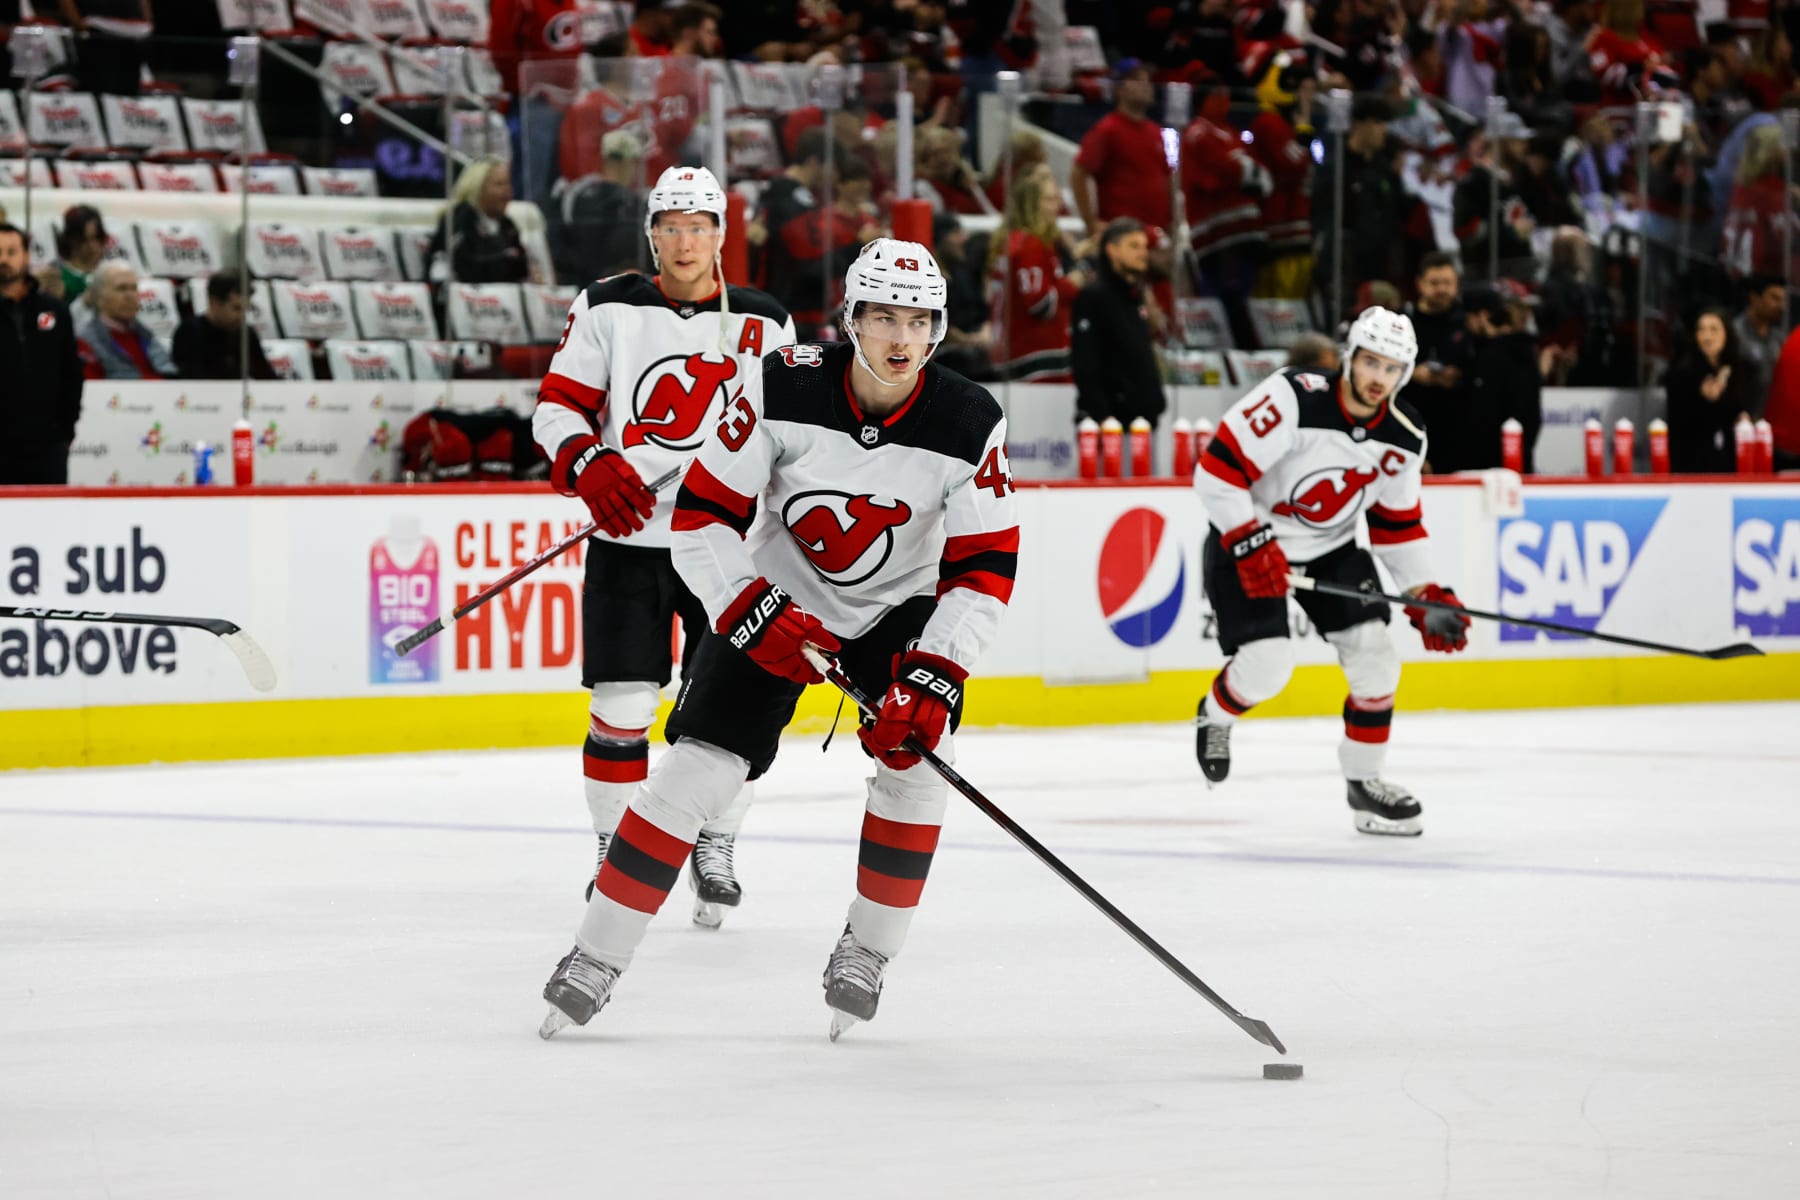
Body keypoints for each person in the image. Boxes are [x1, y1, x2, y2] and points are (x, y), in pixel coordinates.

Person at [539, 239, 1018, 1039]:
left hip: (898, 608)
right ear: (850, 319)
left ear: (938, 329)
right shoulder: (777, 382)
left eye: (920, 320)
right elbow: (700, 518)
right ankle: (594, 954)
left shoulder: (971, 418)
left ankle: (867, 950)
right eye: (884, 317)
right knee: (697, 767)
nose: (902, 338)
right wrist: (747, 605)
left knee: (919, 767)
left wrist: (935, 673)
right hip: (779, 595)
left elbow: (985, 568)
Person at [530, 166, 797, 926]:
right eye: (671, 226)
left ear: (721, 235)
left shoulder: (765, 322)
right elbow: (557, 409)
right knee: (621, 704)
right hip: (630, 538)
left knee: (729, 707)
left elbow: (791, 436)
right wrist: (591, 463)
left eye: (700, 226)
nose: (685, 241)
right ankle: (616, 847)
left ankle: (716, 838)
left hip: (725, 544)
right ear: (652, 233)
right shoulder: (608, 305)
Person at [1192, 307, 1471, 837]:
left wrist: (1425, 592)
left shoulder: (1404, 437)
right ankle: (1215, 714)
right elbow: (1216, 472)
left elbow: (1397, 526)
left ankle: (1365, 786)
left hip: (1331, 548)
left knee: (1377, 661)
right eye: (1370, 362)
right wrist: (1251, 543)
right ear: (1350, 358)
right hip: (1249, 537)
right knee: (1269, 667)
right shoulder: (1292, 397)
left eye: (1392, 369)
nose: (1377, 379)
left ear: (1405, 374)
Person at [0, 222, 84, 485]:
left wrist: (65, 431)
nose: (4, 259)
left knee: (50, 522)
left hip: (47, 446)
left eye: (11, 252)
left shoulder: (54, 310)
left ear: (26, 256)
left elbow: (71, 373)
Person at [988, 164, 1084, 380]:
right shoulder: (1031, 245)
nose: (1057, 206)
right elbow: (1040, 304)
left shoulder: (1011, 241)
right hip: (1036, 352)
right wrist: (1072, 284)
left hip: (1012, 348)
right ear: (1031, 205)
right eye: (1049, 200)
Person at [1071, 217, 1164, 428]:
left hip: (1143, 422)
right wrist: (1103, 416)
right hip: (1110, 425)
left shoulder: (1135, 295)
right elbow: (1085, 363)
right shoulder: (1093, 296)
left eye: (1144, 246)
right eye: (1133, 246)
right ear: (1112, 250)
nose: (1143, 253)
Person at [1070, 60, 1173, 244]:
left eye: (1147, 79)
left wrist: (1174, 221)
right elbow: (1079, 173)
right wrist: (1091, 222)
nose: (1145, 85)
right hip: (1122, 238)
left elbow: (1168, 180)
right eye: (1136, 79)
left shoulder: (1157, 132)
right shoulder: (1107, 130)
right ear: (1119, 89)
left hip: (1157, 236)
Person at [1459, 283, 1543, 473]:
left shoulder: (1492, 356)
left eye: (1468, 318)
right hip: (1519, 463)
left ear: (1483, 316)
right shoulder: (1526, 351)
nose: (1467, 325)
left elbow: (1483, 417)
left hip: (1491, 468)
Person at [1402, 252, 1473, 464]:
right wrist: (1412, 373)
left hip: (1459, 428)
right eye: (1434, 283)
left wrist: (1459, 376)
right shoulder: (1403, 322)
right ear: (1420, 284)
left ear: (1457, 284)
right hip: (1412, 421)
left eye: (1447, 283)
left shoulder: (1469, 321)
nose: (1441, 289)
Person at [426, 156, 530, 285]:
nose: (508, 191)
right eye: (499, 184)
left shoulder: (507, 225)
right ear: (478, 188)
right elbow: (465, 268)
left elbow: (522, 267)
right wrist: (508, 260)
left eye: (509, 183)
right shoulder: (458, 218)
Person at [1664, 310, 1744, 473]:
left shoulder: (1738, 369)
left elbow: (1740, 409)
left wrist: (1744, 415)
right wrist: (1704, 400)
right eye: (1701, 330)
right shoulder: (1683, 372)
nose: (1707, 337)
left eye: (1714, 329)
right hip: (1691, 464)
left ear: (1726, 333)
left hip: (1729, 462)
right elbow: (1680, 421)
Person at [74, 262, 174, 380]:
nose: (131, 295)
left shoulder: (146, 335)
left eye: (134, 288)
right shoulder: (85, 342)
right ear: (99, 297)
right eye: (121, 289)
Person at [172, 272, 277, 382]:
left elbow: (265, 376)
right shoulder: (189, 332)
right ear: (215, 302)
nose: (242, 316)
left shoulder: (246, 333)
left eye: (246, 309)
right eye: (237, 308)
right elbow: (190, 379)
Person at [1732, 275, 1787, 419]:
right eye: (1774, 298)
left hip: (1770, 425)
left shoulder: (1780, 339)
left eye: (1783, 300)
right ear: (1754, 297)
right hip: (1740, 425)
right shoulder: (1735, 334)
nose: (1781, 306)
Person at [43, 204, 109, 305]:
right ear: (71, 240)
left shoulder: (110, 272)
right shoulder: (55, 275)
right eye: (84, 240)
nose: (92, 246)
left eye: (97, 238)